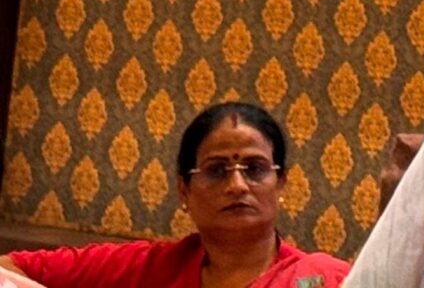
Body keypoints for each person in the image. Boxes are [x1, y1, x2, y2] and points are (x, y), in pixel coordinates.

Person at [0, 102, 349, 288]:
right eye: (216, 170)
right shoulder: (148, 268)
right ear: (184, 190)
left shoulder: (324, 279)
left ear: (281, 183)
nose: (237, 186)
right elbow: (10, 270)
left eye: (255, 169)